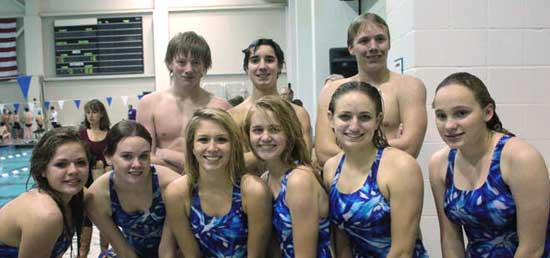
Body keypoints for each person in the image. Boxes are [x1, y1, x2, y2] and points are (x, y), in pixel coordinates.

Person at [429, 72, 550, 257]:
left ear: (487, 112)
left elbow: (532, 248)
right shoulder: (440, 164)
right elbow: (450, 238)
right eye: (441, 116)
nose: (449, 125)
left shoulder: (521, 159)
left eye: (461, 113)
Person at [323, 81, 427, 257]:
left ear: (378, 120)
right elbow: (341, 243)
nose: (354, 126)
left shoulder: (401, 168)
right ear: (330, 119)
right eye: (345, 117)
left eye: (364, 117)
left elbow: (402, 252)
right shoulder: (331, 169)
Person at [315, 13, 427, 165]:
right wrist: (391, 145)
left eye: (380, 39)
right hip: (345, 182)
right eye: (364, 41)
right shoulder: (330, 91)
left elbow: (410, 148)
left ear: (389, 43)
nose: (373, 47)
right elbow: (324, 152)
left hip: (393, 180)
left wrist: (348, 147)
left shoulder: (410, 87)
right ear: (350, 48)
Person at [165, 108, 272, 257]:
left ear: (233, 146)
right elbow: (192, 255)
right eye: (203, 140)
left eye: (221, 139)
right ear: (192, 146)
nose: (212, 148)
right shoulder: (177, 193)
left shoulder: (253, 191)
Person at [242, 96, 331, 257]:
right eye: (257, 130)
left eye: (275, 129)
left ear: (289, 134)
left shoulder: (298, 181)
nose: (265, 137)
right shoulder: (266, 179)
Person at [137, 31, 231, 173]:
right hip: (164, 185)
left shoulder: (221, 108)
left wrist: (169, 154)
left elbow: (228, 157)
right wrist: (186, 173)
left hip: (207, 185)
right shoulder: (149, 104)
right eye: (181, 62)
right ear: (170, 64)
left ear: (205, 66)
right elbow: (145, 156)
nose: (188, 69)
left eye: (195, 63)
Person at [86, 120, 181, 258]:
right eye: (127, 156)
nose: (137, 164)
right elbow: (123, 250)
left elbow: (167, 249)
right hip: (132, 251)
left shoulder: (170, 185)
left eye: (143, 156)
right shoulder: (98, 195)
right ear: (108, 157)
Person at [0, 127, 89, 257]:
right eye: (61, 164)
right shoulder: (45, 215)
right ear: (42, 170)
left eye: (80, 162)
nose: (73, 171)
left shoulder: (78, 195)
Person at [229, 38, 312, 173]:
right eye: (255, 60)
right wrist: (281, 148)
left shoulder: (298, 114)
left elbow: (303, 159)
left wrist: (257, 153)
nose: (262, 66)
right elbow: (229, 164)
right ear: (246, 68)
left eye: (269, 60)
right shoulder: (233, 117)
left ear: (280, 66)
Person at [78, 99, 111, 257]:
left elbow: (113, 157)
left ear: (102, 114)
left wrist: (105, 164)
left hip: (105, 181)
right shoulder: (82, 134)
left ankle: (104, 253)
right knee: (85, 217)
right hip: (86, 182)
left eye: (94, 112)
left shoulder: (109, 135)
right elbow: (77, 156)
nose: (91, 115)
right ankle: (82, 253)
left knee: (106, 216)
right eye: (88, 112)